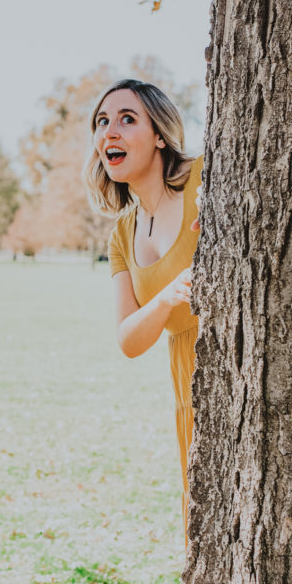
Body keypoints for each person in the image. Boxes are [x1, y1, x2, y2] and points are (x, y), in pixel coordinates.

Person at [84, 78, 202, 537]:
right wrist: (169, 296)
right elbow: (129, 339)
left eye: (127, 119)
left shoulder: (205, 179)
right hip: (188, 375)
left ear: (159, 134)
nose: (109, 131)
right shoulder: (121, 234)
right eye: (102, 122)